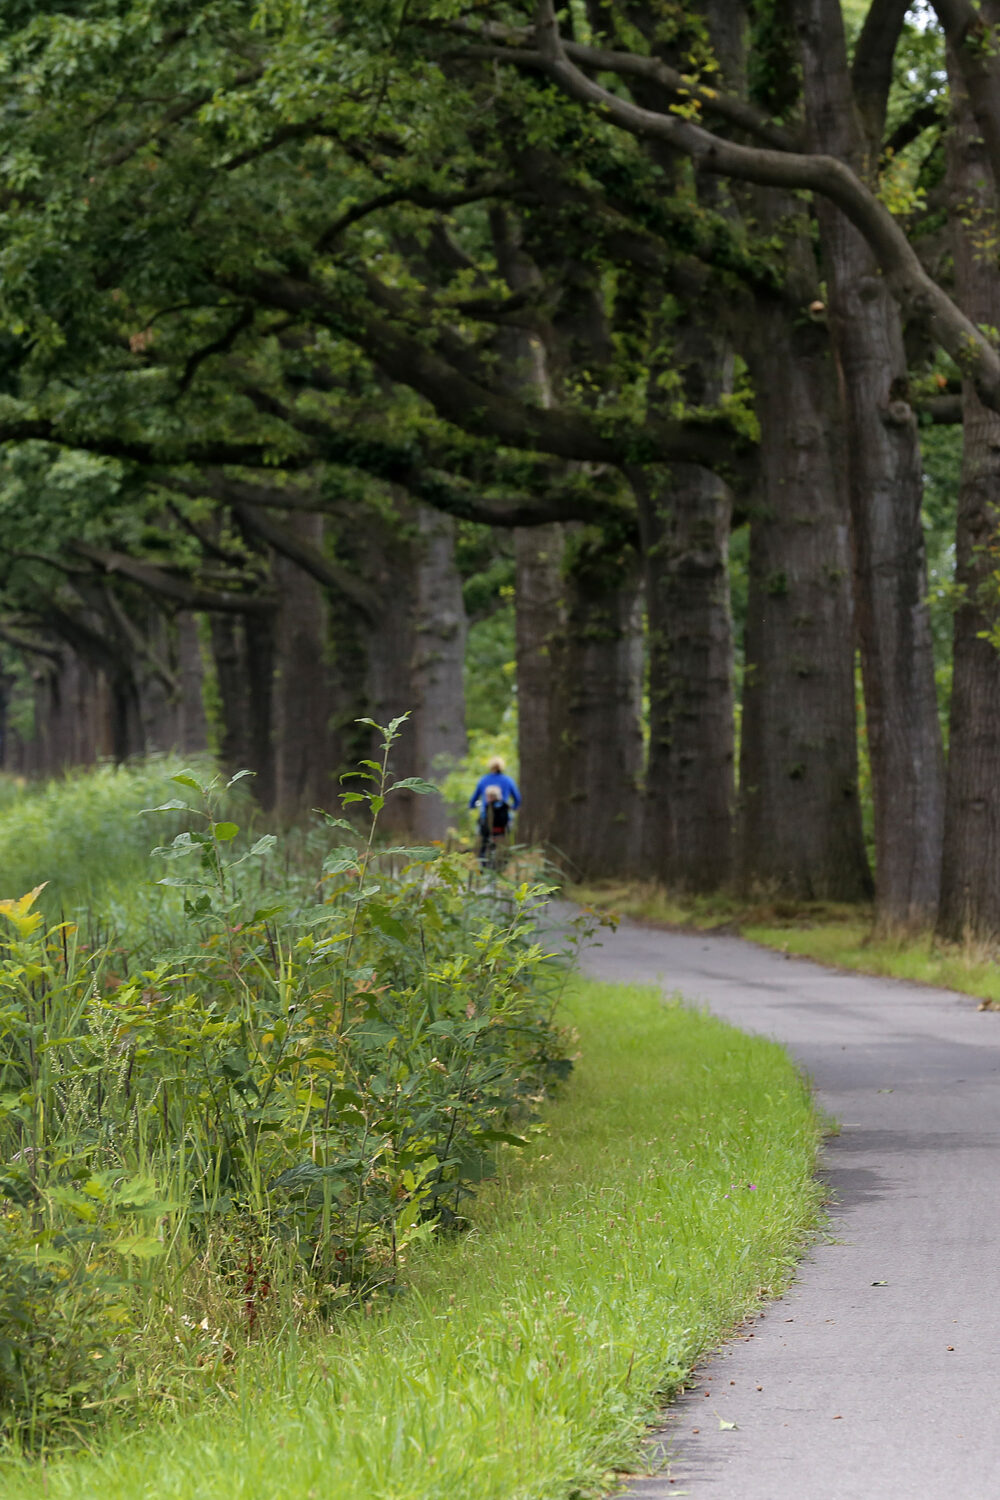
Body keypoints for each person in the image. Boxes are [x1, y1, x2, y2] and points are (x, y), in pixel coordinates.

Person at [477, 784, 510, 868]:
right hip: (501, 834)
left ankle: (483, 866)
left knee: (483, 850)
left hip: (490, 834)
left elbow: (485, 823)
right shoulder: (504, 806)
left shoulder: (489, 807)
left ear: (491, 797)